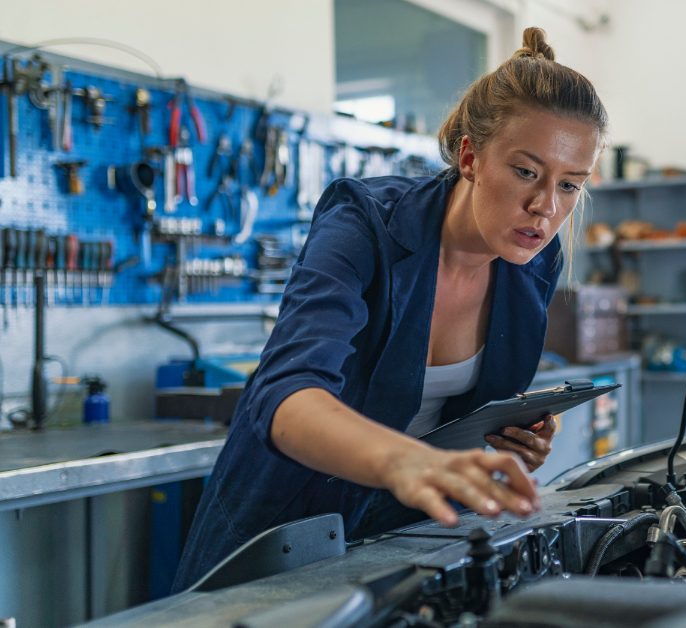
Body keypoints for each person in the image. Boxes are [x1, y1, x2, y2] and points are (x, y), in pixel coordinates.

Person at [172, 26, 607, 592]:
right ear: (471, 157)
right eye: (527, 171)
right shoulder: (365, 223)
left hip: (410, 537)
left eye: (570, 185)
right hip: (284, 530)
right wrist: (406, 461)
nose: (545, 207)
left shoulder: (530, 257)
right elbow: (285, 395)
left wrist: (509, 434)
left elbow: (457, 413)